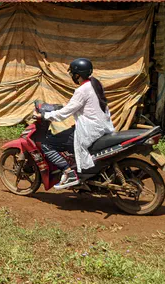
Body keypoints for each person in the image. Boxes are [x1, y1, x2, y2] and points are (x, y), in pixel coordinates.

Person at [35, 58, 115, 190]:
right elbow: (80, 105)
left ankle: (68, 171)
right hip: (102, 127)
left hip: (89, 130)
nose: (72, 76)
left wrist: (44, 115)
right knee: (68, 137)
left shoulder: (82, 90)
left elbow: (64, 113)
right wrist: (62, 107)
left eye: (72, 73)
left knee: (47, 143)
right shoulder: (95, 84)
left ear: (77, 75)